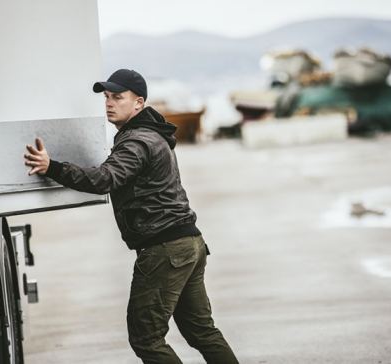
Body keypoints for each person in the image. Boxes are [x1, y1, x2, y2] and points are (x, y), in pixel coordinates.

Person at [24, 69, 239, 364]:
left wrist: (53, 168)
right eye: (107, 97)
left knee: (146, 339)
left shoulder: (137, 142)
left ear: (138, 103)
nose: (109, 103)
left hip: (166, 250)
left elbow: (104, 179)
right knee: (202, 331)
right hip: (188, 244)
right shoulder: (148, 136)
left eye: (118, 97)